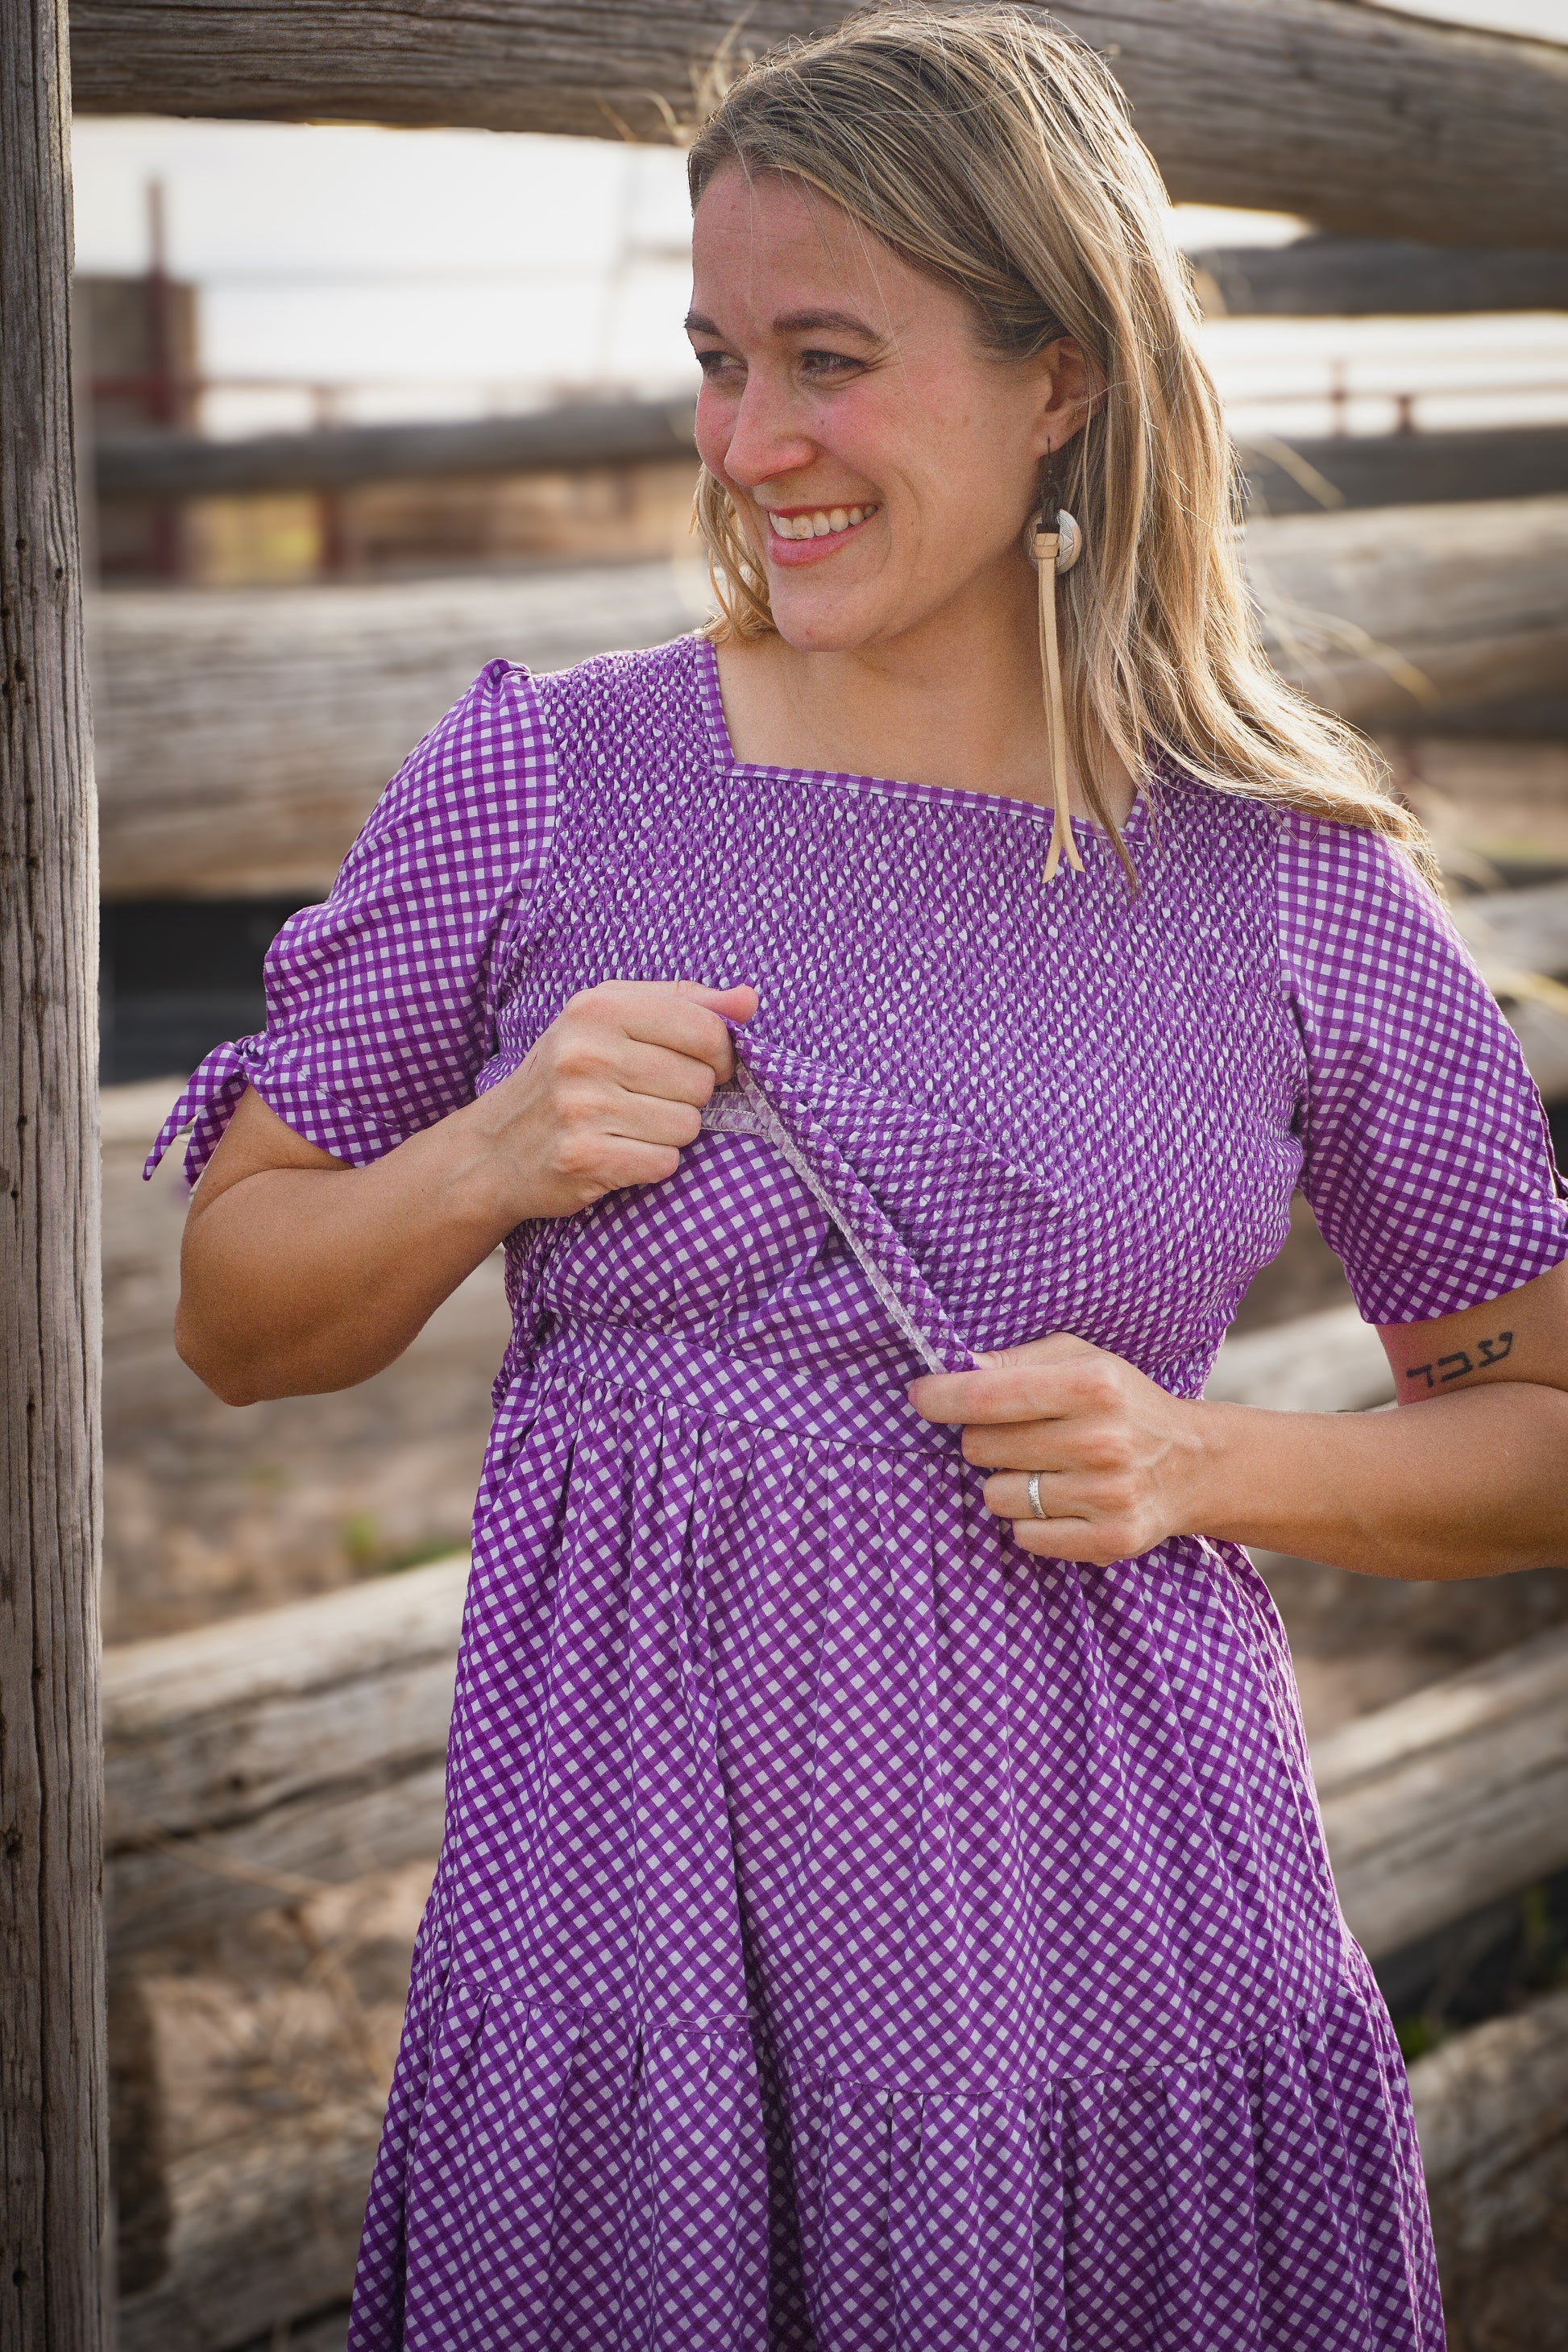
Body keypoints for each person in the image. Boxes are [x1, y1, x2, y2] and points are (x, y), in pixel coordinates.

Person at [149, 9, 1568, 2346]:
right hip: (622, 1957)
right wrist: (489, 1163)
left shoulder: (1291, 888)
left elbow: (1537, 1433)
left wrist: (1198, 1456)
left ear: (1061, 380)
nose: (749, 444)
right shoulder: (543, 783)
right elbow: (235, 1314)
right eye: (717, 359)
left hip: (1108, 1945)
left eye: (828, 358)